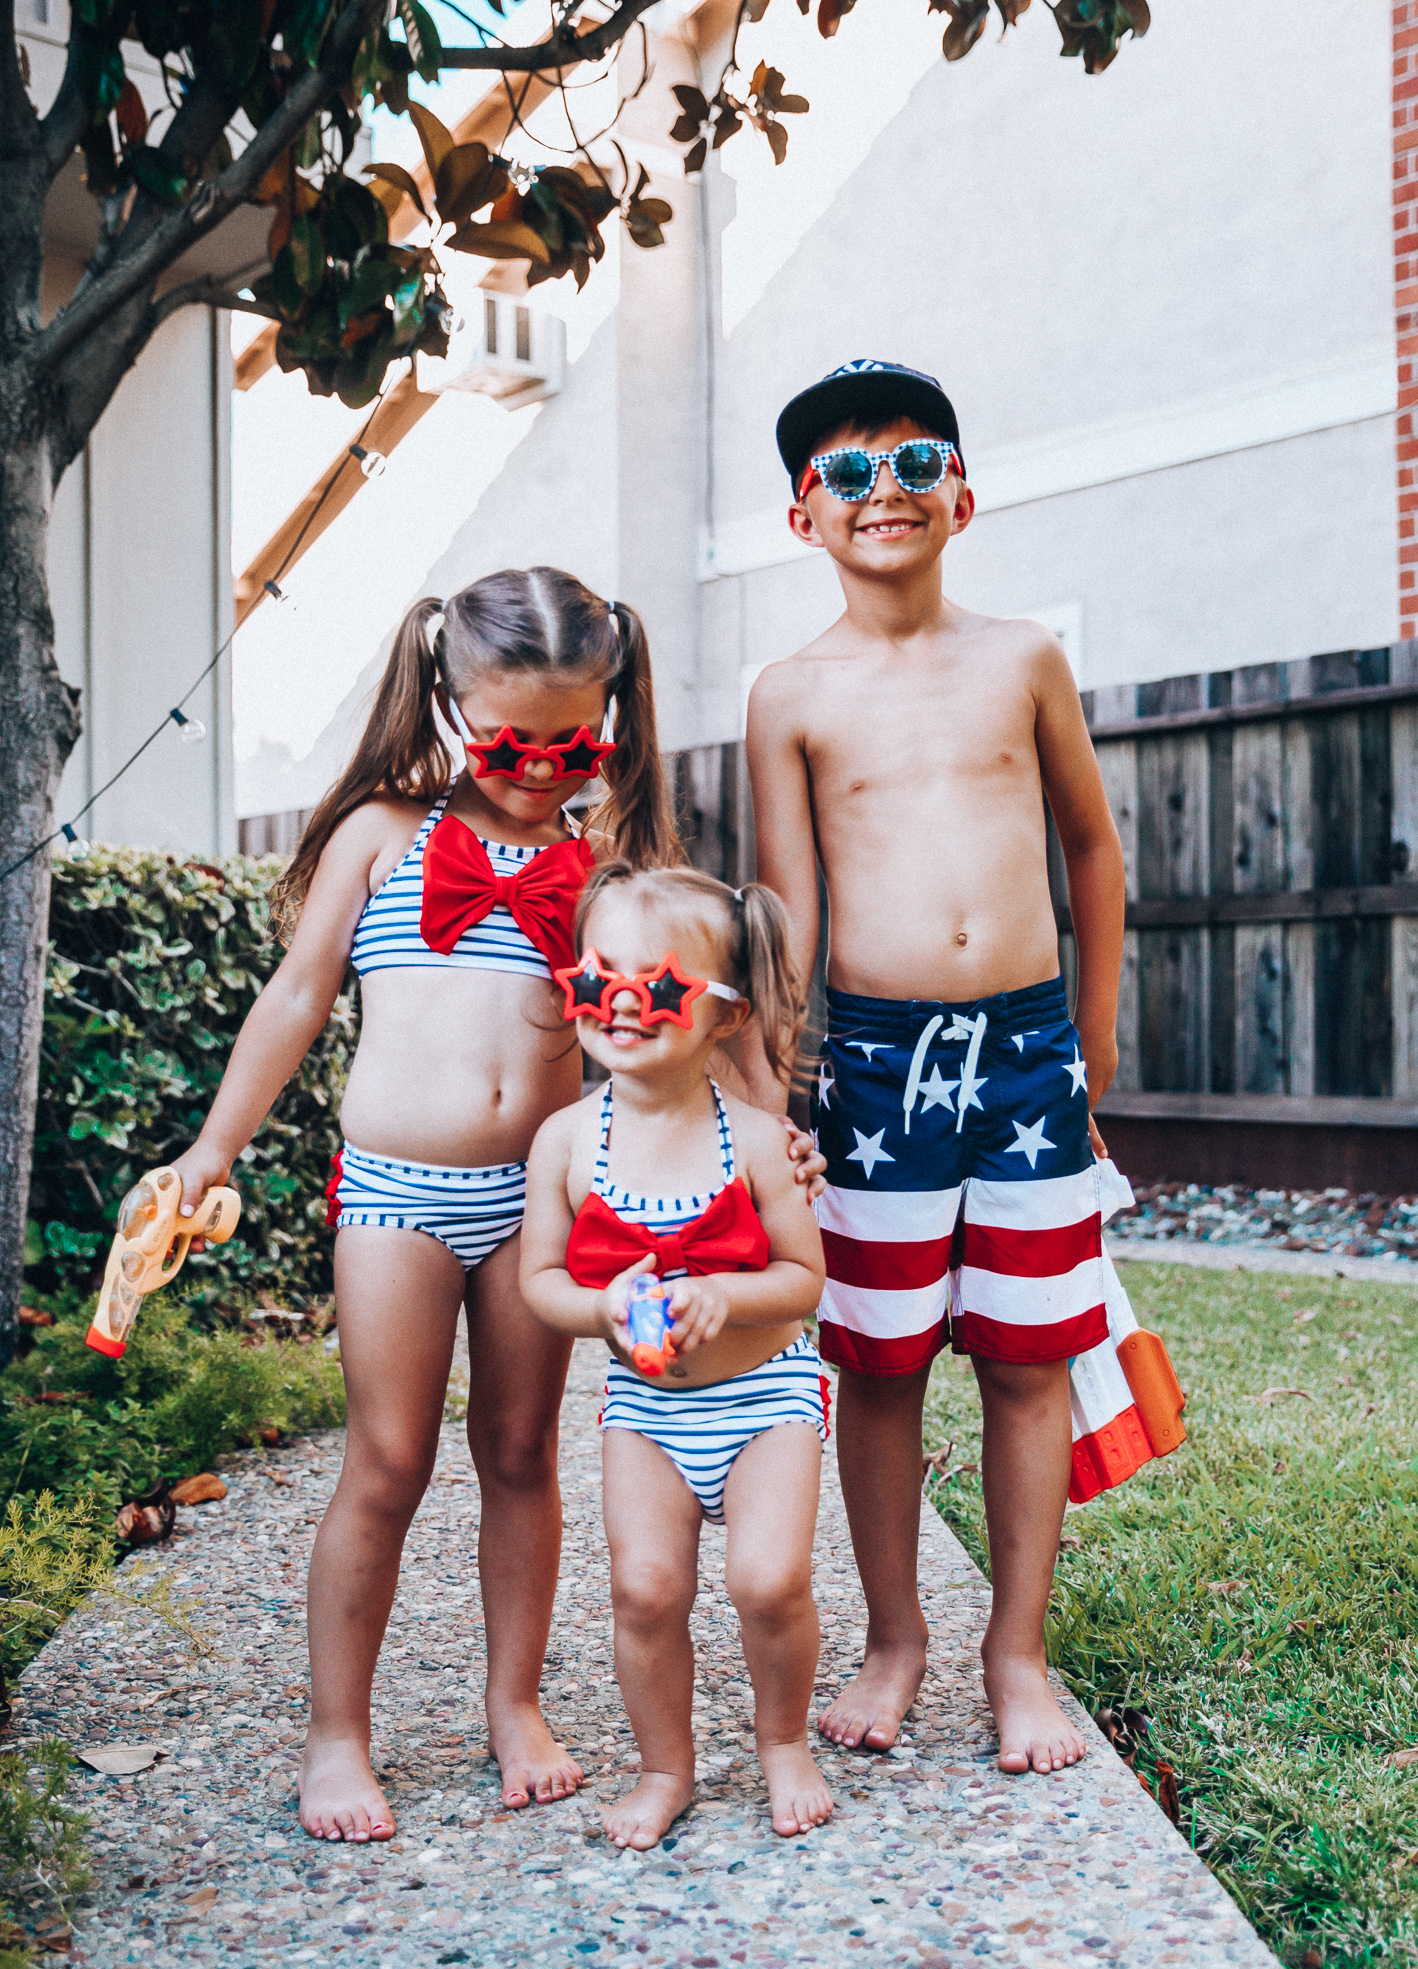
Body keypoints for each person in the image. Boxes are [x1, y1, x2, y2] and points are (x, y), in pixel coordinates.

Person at [166, 568, 823, 1843]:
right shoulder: (380, 833)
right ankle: (338, 1731)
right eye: (513, 740)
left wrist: (776, 1134)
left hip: (543, 1202)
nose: (542, 768)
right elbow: (296, 999)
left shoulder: (608, 864)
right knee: (389, 1457)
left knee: (519, 1453)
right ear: (447, 700)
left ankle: (514, 1703)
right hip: (399, 1195)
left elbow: (710, 1008)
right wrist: (212, 1149)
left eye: (575, 742)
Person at [740, 362, 1126, 1775]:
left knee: (1027, 1364)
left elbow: (1089, 848)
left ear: (962, 491)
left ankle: (1012, 1654)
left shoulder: (1020, 656)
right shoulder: (787, 694)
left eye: (912, 460)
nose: (882, 489)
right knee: (882, 1365)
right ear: (803, 518)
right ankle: (895, 1638)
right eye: (844, 473)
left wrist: (1090, 1041)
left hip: (1027, 1058)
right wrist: (775, 1092)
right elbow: (781, 915)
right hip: (874, 1070)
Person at [520, 863, 833, 1846]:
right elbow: (539, 1282)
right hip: (645, 1409)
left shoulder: (756, 1141)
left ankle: (782, 1740)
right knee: (645, 1588)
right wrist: (600, 1302)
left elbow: (801, 1276)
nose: (617, 1002)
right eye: (594, 976)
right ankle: (666, 1764)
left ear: (724, 1013)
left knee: (767, 1579)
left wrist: (722, 1293)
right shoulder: (564, 1142)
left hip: (764, 1397)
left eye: (653, 985)